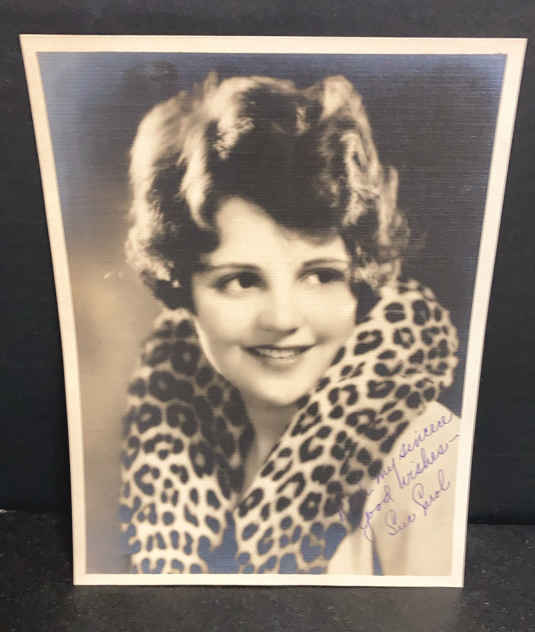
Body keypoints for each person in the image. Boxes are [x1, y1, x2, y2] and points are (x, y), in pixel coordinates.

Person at [119, 73, 460, 576]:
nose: (283, 319)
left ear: (359, 283)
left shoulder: (421, 452)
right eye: (241, 281)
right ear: (183, 291)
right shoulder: (175, 447)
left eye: (320, 275)